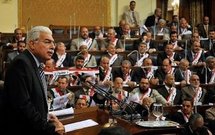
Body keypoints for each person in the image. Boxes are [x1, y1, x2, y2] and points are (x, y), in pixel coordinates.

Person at [1, 26, 65, 135]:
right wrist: (50, 129)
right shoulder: (21, 64)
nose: (53, 47)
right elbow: (23, 107)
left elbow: (35, 100)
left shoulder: (34, 64)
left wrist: (46, 116)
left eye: (53, 43)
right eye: (47, 42)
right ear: (32, 44)